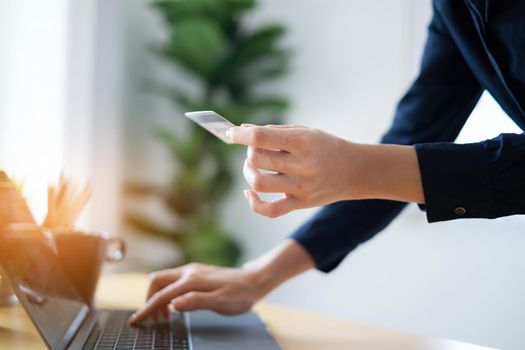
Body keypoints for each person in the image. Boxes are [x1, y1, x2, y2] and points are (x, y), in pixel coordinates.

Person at [129, 0, 525, 325]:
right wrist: (256, 276)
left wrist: (360, 168)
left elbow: (390, 166)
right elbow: (411, 142)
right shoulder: (455, 9)